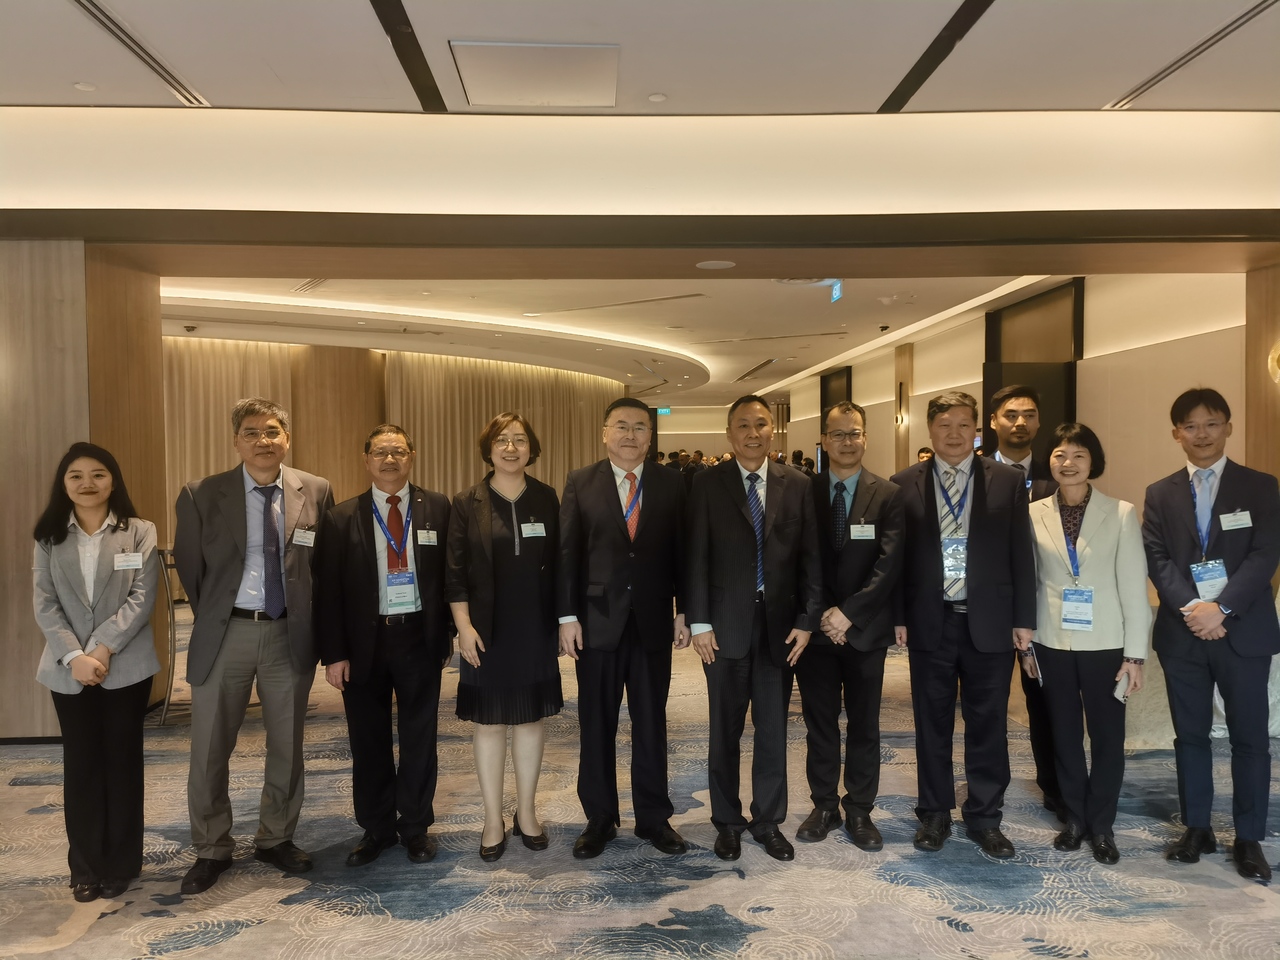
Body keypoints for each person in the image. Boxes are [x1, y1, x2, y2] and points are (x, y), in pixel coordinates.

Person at [173, 397, 333, 894]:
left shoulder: (316, 489)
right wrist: (220, 616)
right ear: (236, 441)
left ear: (287, 437)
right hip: (227, 633)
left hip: (289, 634)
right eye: (251, 432)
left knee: (287, 743)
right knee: (210, 746)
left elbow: (323, 567)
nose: (263, 441)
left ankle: (276, 837)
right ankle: (211, 847)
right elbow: (191, 570)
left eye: (272, 431)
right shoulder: (201, 493)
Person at [1142, 388, 1280, 881]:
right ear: (1176, 433)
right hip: (1184, 634)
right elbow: (1157, 558)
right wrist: (1193, 609)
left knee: (1250, 738)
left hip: (1242, 630)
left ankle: (1249, 837)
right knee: (1191, 735)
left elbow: (1265, 554)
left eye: (1212, 423)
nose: (1202, 434)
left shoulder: (1260, 486)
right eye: (1191, 426)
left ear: (1228, 428)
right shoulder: (1160, 492)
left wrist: (1220, 609)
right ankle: (1197, 827)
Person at [891, 391, 1035, 859]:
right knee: (931, 724)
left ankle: (985, 817)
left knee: (988, 724)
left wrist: (1024, 618)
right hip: (929, 623)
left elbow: (1021, 552)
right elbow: (896, 560)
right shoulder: (903, 484)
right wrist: (898, 616)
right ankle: (934, 813)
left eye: (963, 425)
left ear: (977, 429)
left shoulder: (1008, 481)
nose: (954, 434)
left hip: (989, 622)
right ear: (929, 430)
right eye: (944, 425)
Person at [686, 395, 821, 862]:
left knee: (772, 731)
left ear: (772, 431)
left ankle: (767, 821)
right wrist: (699, 621)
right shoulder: (707, 484)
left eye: (760, 424)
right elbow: (695, 555)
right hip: (723, 627)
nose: (752, 433)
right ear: (729, 433)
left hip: (779, 629)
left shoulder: (796, 483)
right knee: (723, 731)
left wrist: (807, 621)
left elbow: (810, 559)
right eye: (742, 425)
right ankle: (727, 822)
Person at [315, 424, 452, 867]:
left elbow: (451, 575)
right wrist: (334, 653)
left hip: (419, 638)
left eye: (398, 451)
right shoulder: (341, 517)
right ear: (366, 460)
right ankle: (375, 828)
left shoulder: (437, 507)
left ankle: (414, 826)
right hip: (363, 643)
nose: (389, 460)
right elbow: (328, 593)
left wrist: (447, 632)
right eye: (380, 452)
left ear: (411, 456)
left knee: (419, 737)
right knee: (368, 738)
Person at [558, 398, 689, 858]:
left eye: (639, 427)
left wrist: (684, 609)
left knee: (651, 723)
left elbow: (684, 552)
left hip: (653, 621)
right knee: (597, 723)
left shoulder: (672, 483)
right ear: (604, 433)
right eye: (621, 426)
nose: (630, 435)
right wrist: (567, 617)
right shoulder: (580, 482)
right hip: (597, 623)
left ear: (651, 437)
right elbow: (567, 555)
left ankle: (654, 818)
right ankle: (599, 818)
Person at [32, 443, 160, 903]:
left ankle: (121, 864)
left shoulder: (139, 531)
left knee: (122, 763)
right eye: (76, 476)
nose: (87, 483)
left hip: (126, 665)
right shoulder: (49, 536)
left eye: (98, 474)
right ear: (64, 484)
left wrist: (101, 649)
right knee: (82, 765)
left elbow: (142, 598)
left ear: (113, 480)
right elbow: (45, 603)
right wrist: (75, 656)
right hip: (67, 669)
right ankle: (85, 867)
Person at [1022, 423, 1150, 864]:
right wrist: (1026, 646)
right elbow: (1029, 584)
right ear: (1049, 461)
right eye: (1060, 454)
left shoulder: (1120, 513)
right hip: (1051, 641)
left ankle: (1102, 824)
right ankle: (1074, 818)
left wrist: (1135, 655)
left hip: (1107, 643)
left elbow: (1133, 588)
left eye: (1079, 454)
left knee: (1108, 737)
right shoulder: (1032, 513)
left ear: (1093, 461)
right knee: (1064, 734)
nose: (1068, 463)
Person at [446, 413, 562, 861]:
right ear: (488, 448)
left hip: (534, 626)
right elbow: (454, 571)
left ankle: (526, 813)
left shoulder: (546, 498)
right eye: (501, 440)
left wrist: (561, 622)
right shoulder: (467, 501)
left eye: (519, 440)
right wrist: (463, 626)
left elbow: (561, 565)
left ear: (532, 448)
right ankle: (492, 818)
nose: (511, 448)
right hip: (484, 630)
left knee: (531, 720)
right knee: (490, 723)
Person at [795, 403, 904, 850]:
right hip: (817, 631)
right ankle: (824, 805)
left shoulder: (889, 493)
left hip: (865, 631)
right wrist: (824, 614)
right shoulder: (803, 490)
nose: (846, 442)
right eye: (837, 434)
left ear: (865, 438)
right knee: (819, 724)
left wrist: (849, 614)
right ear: (824, 440)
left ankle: (860, 809)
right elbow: (799, 558)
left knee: (864, 725)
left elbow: (889, 564)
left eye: (854, 433)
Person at [989, 383, 1062, 819]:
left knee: (1047, 703)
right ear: (994, 422)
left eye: (1029, 415)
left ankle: (1055, 787)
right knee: (989, 707)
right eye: (1011, 414)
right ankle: (989, 793)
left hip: (1045, 611)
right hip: (991, 611)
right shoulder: (976, 475)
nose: (1020, 422)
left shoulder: (1058, 477)